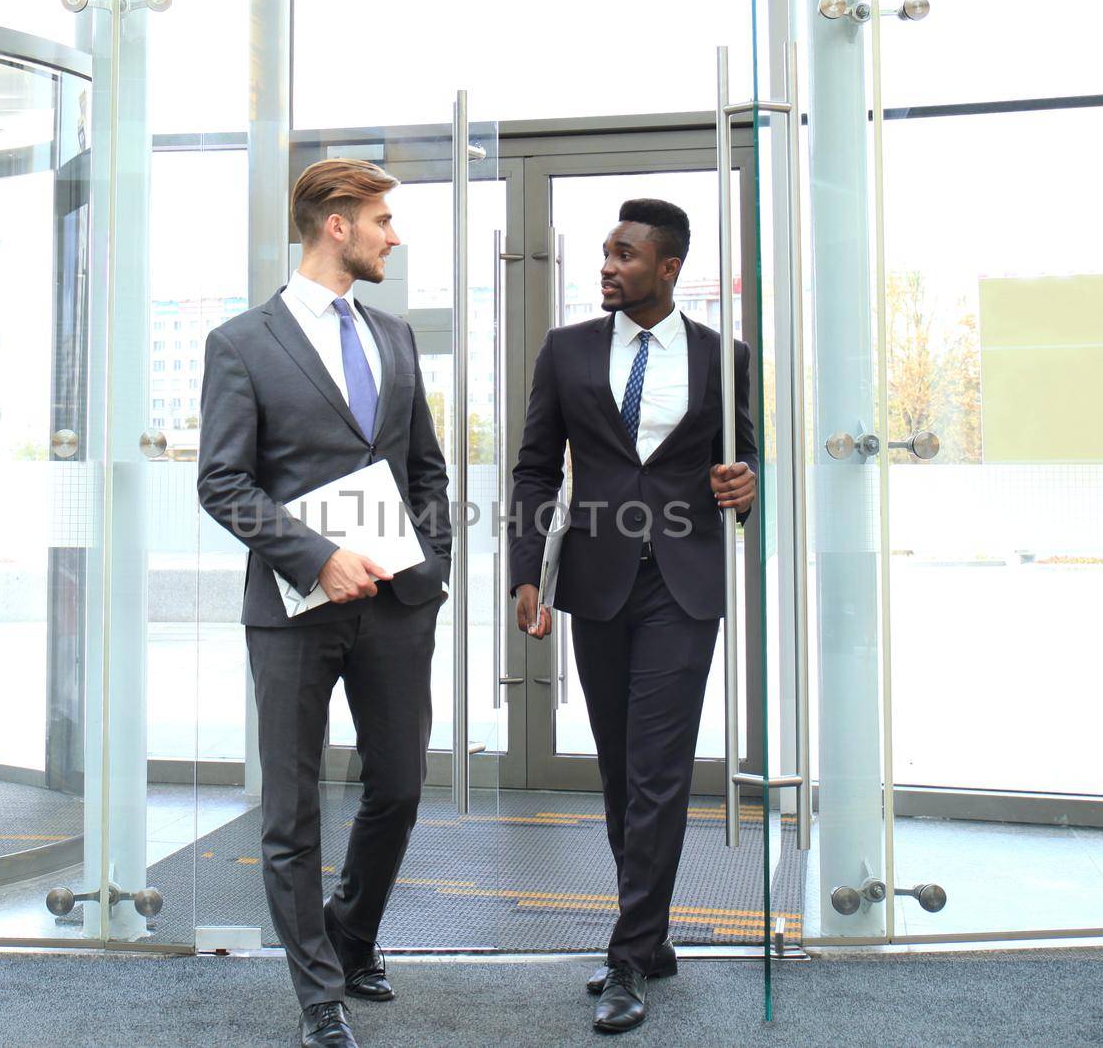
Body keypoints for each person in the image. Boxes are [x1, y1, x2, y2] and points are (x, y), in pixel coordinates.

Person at [197, 159, 452, 1048]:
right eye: (381, 218)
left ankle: (352, 931)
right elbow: (222, 482)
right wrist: (319, 558)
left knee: (400, 787)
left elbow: (426, 469)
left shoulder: (395, 336)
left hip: (395, 606)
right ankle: (318, 994)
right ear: (336, 223)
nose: (394, 232)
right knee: (292, 808)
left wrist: (433, 574)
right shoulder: (242, 342)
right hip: (295, 608)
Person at [508, 198, 758, 1034]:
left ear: (669, 267)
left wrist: (746, 483)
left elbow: (747, 456)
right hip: (599, 579)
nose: (607, 266)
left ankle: (626, 953)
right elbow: (536, 469)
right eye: (607, 253)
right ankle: (649, 936)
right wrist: (527, 573)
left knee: (659, 767)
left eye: (624, 254)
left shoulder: (725, 358)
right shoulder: (568, 351)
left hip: (683, 586)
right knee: (620, 767)